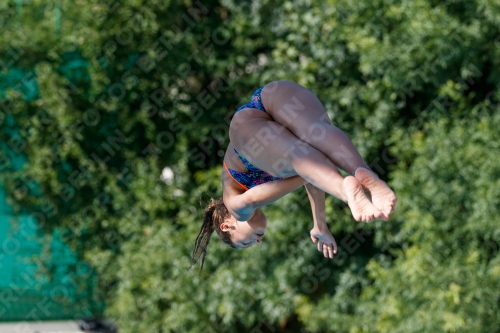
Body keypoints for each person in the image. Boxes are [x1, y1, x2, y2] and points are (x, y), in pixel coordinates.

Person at [190, 80, 397, 271]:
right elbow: (313, 176)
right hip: (270, 95)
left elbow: (257, 196)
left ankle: (347, 191)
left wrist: (331, 183)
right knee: (316, 133)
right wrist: (320, 224)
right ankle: (369, 179)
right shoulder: (243, 185)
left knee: (297, 158)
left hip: (247, 136)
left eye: (246, 242)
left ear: (227, 226)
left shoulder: (236, 209)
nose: (258, 241)